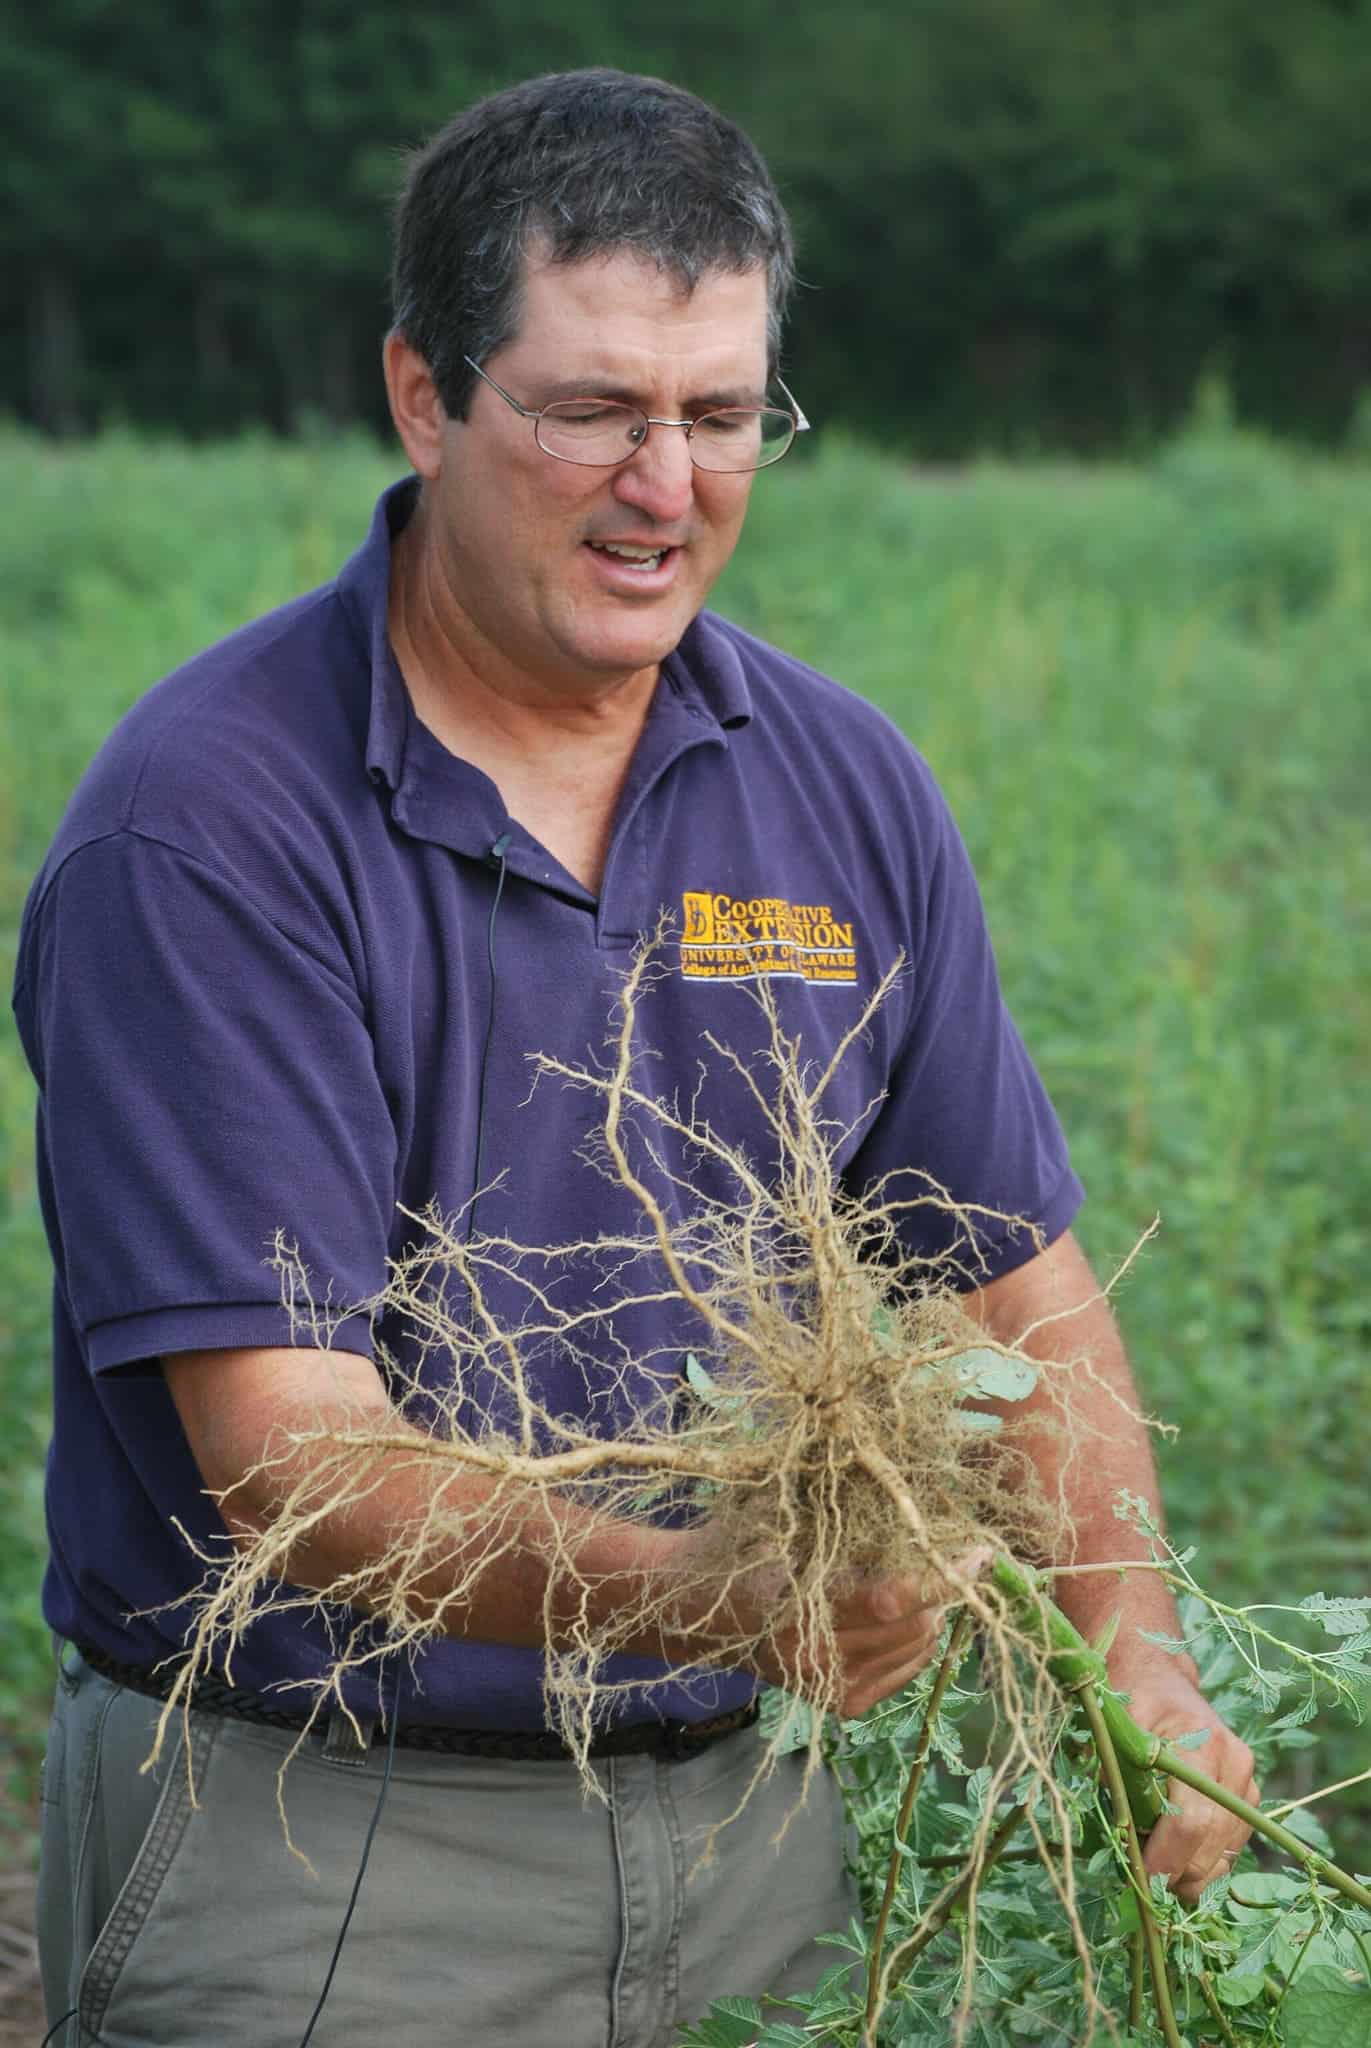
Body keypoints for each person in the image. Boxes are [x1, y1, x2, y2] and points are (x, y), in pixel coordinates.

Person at [16, 68, 1255, 2048]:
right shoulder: (210, 824)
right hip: (332, 1854)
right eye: (590, 408)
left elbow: (1013, 1278)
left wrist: (1140, 1656)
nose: (663, 483)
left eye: (718, 412)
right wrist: (722, 1594)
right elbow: (293, 1456)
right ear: (423, 396)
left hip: (760, 1838)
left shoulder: (837, 784)